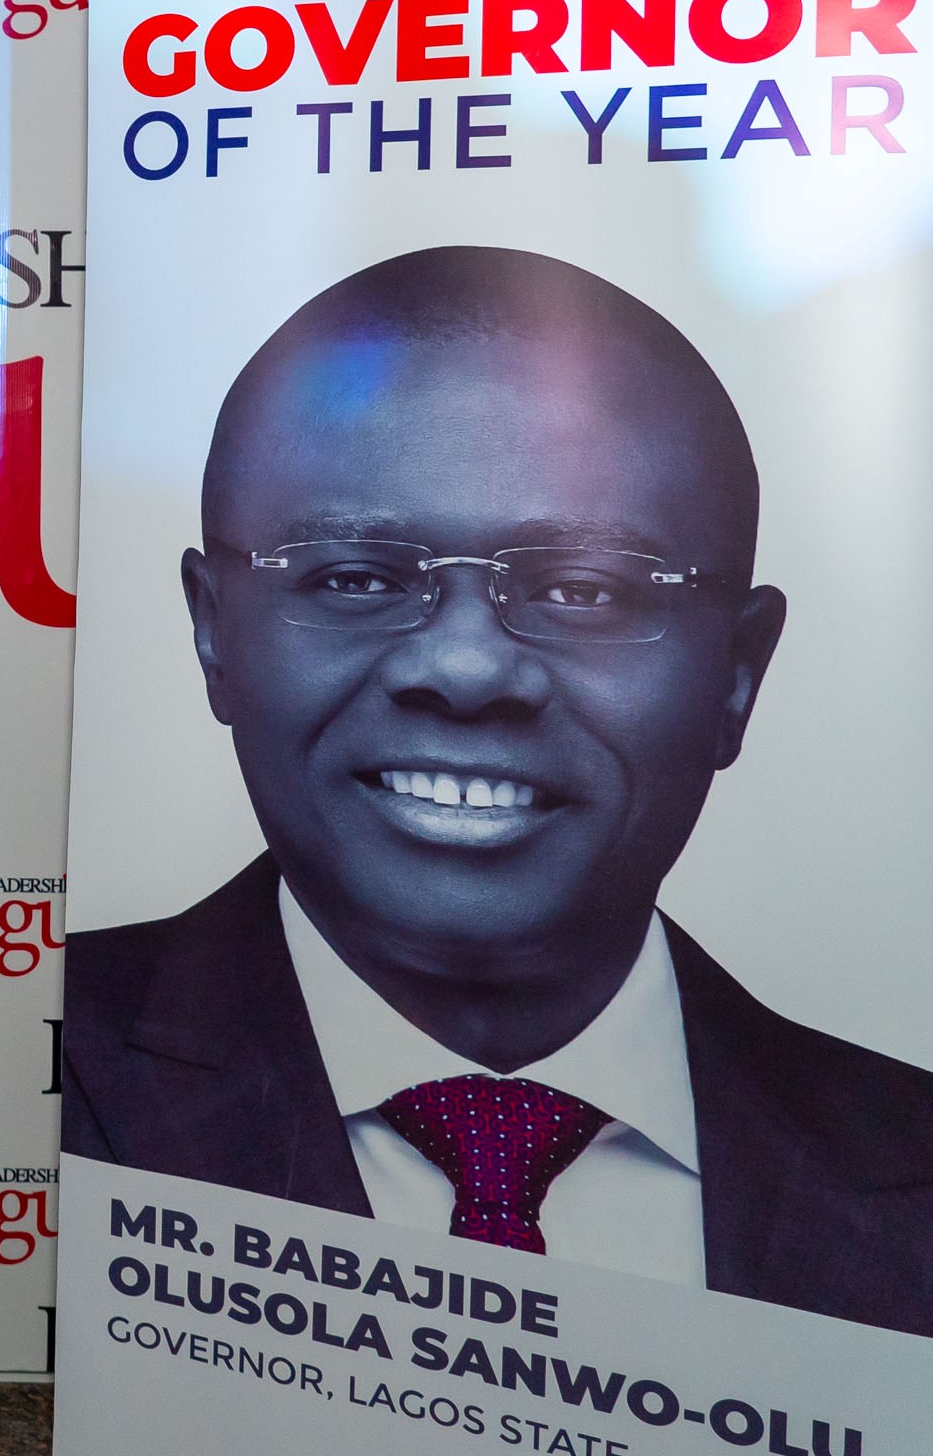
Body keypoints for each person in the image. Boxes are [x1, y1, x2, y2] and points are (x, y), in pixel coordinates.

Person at [61, 245, 933, 1336]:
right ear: (209, 631)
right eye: (352, 578)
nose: (464, 669)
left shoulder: (906, 1172)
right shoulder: (26, 1084)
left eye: (584, 588)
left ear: (738, 672)